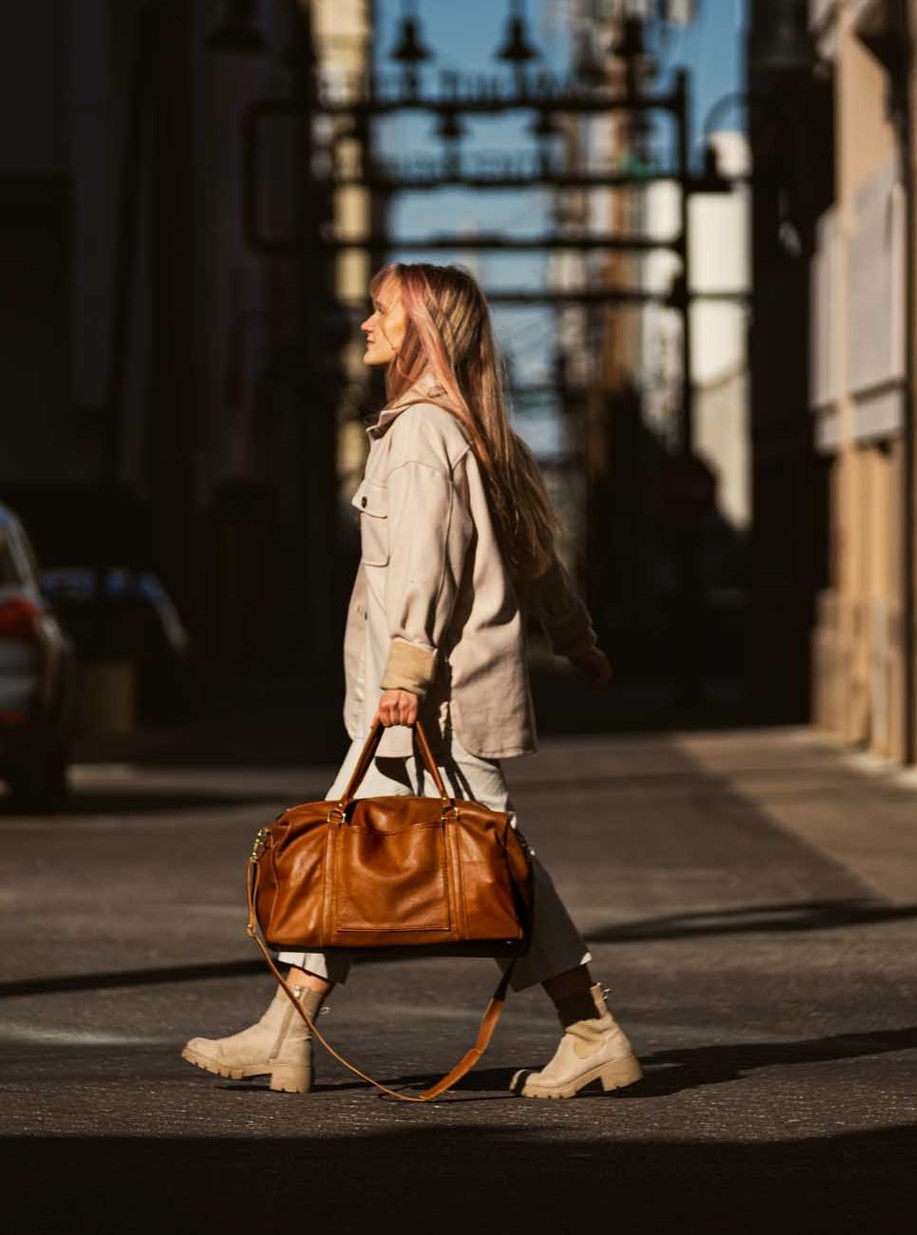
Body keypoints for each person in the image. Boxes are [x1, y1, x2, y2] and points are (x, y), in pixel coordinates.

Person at [182, 262, 641, 1099]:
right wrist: (577, 641)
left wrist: (407, 675)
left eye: (381, 310)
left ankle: (591, 1029)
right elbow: (538, 565)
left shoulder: (424, 436)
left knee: (485, 863)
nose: (366, 324)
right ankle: (285, 1031)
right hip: (423, 698)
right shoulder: (469, 431)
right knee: (354, 848)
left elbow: (427, 566)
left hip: (430, 703)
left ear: (423, 328)